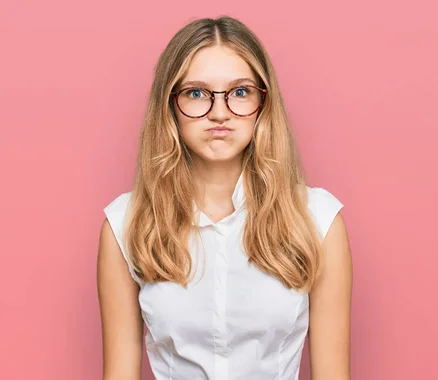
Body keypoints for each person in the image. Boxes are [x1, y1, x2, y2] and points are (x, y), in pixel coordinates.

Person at [97, 15, 352, 380]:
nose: (220, 113)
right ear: (170, 105)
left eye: (241, 92)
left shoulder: (317, 220)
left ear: (264, 103)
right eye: (197, 93)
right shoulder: (125, 225)